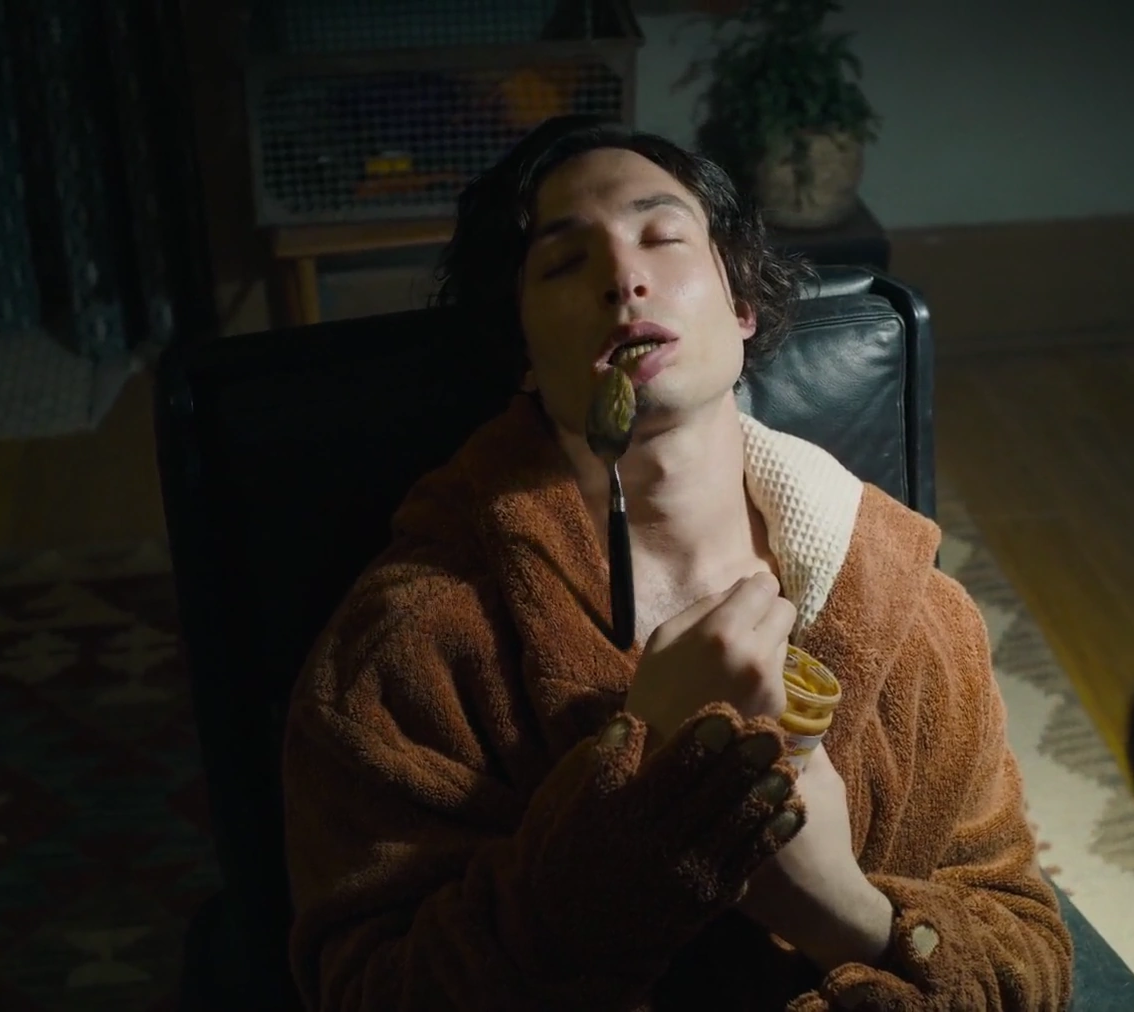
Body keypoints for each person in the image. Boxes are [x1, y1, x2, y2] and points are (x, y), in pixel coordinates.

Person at [280, 114, 1073, 1011]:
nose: (625, 277)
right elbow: (373, 989)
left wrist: (839, 909)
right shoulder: (413, 642)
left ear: (741, 306)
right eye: (565, 262)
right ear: (524, 356)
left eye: (663, 236)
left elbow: (1028, 958)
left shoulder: (920, 615)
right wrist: (640, 795)